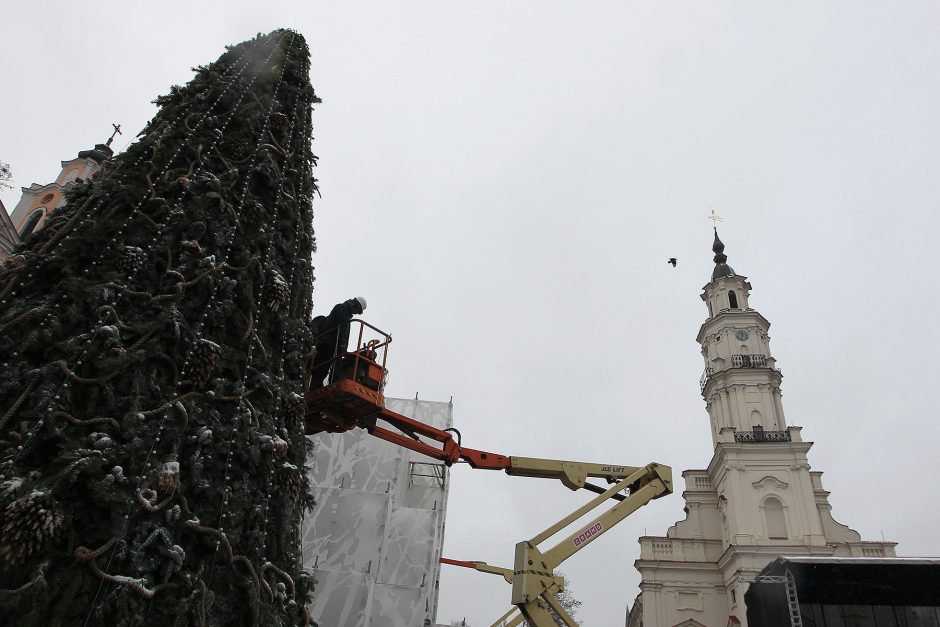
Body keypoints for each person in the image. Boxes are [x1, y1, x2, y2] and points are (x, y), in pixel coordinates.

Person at [308, 297, 367, 388]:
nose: (356, 313)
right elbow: (341, 328)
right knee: (321, 370)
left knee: (322, 370)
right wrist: (342, 345)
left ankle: (323, 384)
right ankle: (318, 386)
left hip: (331, 345)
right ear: (354, 305)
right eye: (357, 310)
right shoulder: (341, 309)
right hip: (328, 345)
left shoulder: (346, 313)